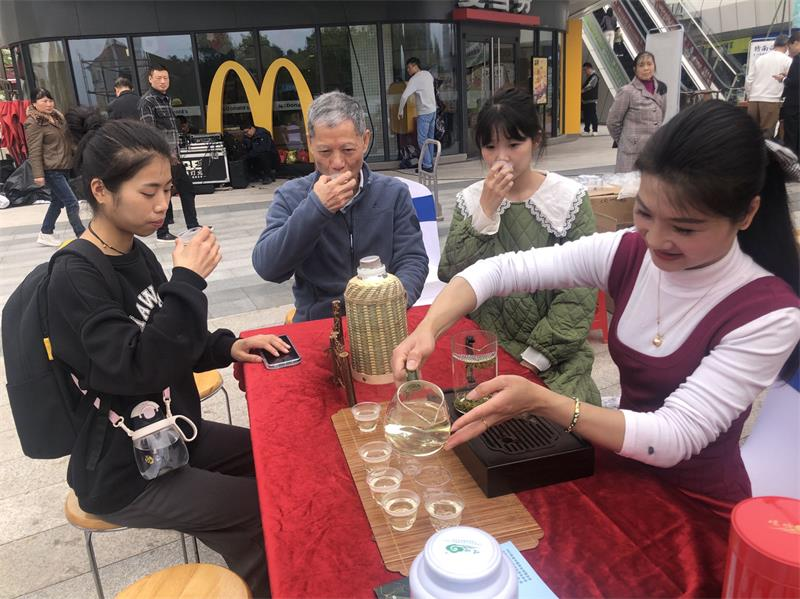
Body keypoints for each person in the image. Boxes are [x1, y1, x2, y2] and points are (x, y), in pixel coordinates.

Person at [393, 100, 800, 515]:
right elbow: (499, 271)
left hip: (697, 508)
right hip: (620, 472)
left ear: (747, 213)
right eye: (644, 213)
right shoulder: (629, 252)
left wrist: (543, 402)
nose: (657, 240)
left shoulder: (769, 314)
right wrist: (430, 327)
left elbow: (674, 436)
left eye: (684, 228)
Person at [47, 117, 288, 598]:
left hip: (172, 435)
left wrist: (226, 346)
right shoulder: (75, 277)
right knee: (265, 510)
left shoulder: (136, 252)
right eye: (148, 191)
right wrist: (188, 281)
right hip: (125, 469)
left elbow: (171, 337)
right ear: (101, 189)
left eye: (168, 190)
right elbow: (139, 365)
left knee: (278, 458)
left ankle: (251, 563)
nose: (163, 205)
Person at [439, 88, 600, 405]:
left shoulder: (567, 199)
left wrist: (537, 356)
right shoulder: (471, 200)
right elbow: (452, 273)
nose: (501, 157)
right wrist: (485, 210)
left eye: (514, 144)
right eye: (490, 146)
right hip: (484, 353)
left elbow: (579, 295)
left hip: (554, 359)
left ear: (535, 140)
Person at [252, 91, 428, 322]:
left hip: (383, 316)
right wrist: (316, 208)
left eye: (348, 150)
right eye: (325, 151)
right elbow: (269, 267)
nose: (337, 163)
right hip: (319, 321)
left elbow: (413, 259)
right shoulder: (291, 196)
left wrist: (395, 301)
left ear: (365, 141)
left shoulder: (393, 193)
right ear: (310, 143)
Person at [138, 65, 208, 241]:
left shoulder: (166, 99)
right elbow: (149, 131)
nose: (163, 81)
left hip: (174, 155)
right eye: (159, 78)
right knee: (167, 193)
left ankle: (191, 226)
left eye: (166, 78)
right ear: (150, 79)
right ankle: (163, 231)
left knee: (183, 189)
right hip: (163, 157)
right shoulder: (147, 101)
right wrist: (164, 155)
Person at [24, 87, 86, 247]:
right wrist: (38, 174)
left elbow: (67, 142)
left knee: (57, 202)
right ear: (34, 103)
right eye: (44, 101)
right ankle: (81, 234)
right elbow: (35, 150)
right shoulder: (33, 122)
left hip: (63, 166)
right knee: (71, 201)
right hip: (50, 169)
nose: (49, 104)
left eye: (50, 100)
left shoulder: (57, 118)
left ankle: (46, 232)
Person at [607, 51, 667, 173]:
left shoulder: (661, 89)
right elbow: (612, 122)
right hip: (631, 154)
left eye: (649, 64)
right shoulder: (627, 91)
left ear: (654, 66)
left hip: (653, 151)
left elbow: (661, 117)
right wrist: (626, 140)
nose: (646, 68)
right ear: (635, 69)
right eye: (641, 65)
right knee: (629, 189)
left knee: (650, 189)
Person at [744, 35, 793, 138]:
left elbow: (749, 79)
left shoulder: (760, 59)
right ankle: (765, 154)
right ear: (786, 46)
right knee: (767, 133)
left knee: (751, 132)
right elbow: (791, 81)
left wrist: (749, 95)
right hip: (771, 100)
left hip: (754, 99)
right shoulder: (787, 60)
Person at [398, 57, 437, 173]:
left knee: (422, 140)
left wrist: (400, 111)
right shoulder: (428, 75)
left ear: (415, 66)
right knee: (430, 139)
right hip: (433, 111)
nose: (408, 71)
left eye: (409, 68)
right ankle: (430, 163)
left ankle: (427, 165)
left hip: (424, 113)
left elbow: (404, 96)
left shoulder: (414, 79)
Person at [778, 31, 800, 155]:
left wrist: (784, 79)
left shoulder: (797, 59)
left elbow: (795, 81)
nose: (789, 51)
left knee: (791, 137)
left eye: (790, 47)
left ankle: (791, 163)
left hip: (794, 106)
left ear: (796, 43)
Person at [581, 62, 599, 136]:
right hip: (586, 100)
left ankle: (595, 130)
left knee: (592, 115)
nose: (585, 72)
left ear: (589, 68)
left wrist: (581, 91)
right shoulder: (589, 77)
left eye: (585, 70)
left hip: (591, 100)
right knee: (586, 115)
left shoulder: (594, 77)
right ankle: (586, 130)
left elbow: (590, 86)